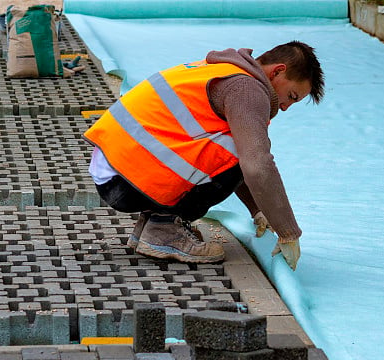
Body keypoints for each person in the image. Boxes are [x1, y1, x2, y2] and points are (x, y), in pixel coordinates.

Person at [84, 41, 324, 269]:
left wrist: (258, 210)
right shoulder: (248, 89)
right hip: (127, 182)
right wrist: (288, 232)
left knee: (239, 144)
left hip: (115, 170)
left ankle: (154, 221)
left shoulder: (220, 68)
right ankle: (163, 228)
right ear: (277, 72)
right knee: (249, 149)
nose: (284, 107)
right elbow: (255, 165)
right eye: (291, 96)